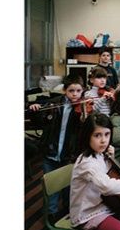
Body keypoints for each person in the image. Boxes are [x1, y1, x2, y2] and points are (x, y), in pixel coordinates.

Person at [28, 74, 85, 218]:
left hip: (69, 154)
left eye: (78, 91)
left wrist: (85, 115)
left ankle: (66, 209)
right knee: (51, 185)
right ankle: (51, 213)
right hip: (51, 151)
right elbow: (40, 121)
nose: (75, 94)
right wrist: (34, 109)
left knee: (67, 184)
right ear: (64, 90)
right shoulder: (54, 104)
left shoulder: (83, 107)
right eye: (71, 91)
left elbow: (86, 129)